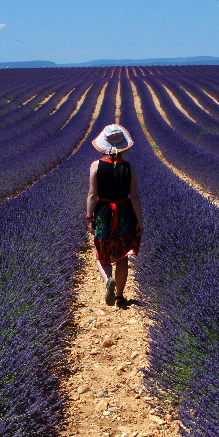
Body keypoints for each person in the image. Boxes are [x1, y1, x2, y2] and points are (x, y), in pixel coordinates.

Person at [86, 124, 143, 308]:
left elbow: (92, 195)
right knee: (122, 256)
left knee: (102, 254)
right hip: (124, 214)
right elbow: (134, 196)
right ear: (123, 146)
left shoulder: (96, 166)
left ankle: (107, 280)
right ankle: (119, 296)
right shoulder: (130, 168)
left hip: (103, 214)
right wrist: (139, 221)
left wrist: (89, 217)